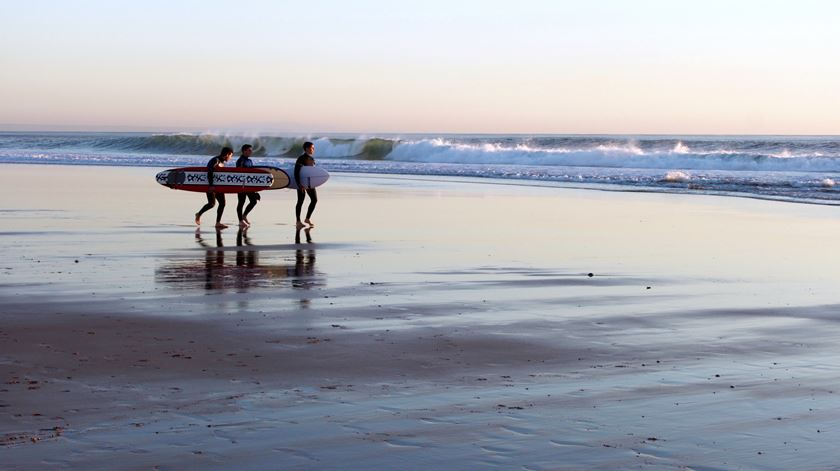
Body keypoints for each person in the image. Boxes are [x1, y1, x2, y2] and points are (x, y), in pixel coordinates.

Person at [195, 146, 233, 229]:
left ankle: (218, 223)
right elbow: (209, 171)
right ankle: (199, 214)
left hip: (218, 186)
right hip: (210, 185)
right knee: (211, 204)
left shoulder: (222, 162)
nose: (231, 158)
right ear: (227, 154)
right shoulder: (215, 160)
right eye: (231, 155)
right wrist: (211, 185)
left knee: (222, 203)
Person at [235, 144, 260, 227]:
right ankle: (240, 221)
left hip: (249, 185)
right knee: (241, 203)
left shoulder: (250, 161)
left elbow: (252, 175)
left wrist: (255, 189)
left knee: (253, 201)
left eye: (251, 150)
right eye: (249, 150)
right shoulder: (240, 161)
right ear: (244, 151)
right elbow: (239, 173)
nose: (251, 152)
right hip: (241, 185)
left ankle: (244, 215)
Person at [295, 141, 318, 228]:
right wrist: (299, 184)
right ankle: (298, 221)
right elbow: (296, 172)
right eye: (312, 148)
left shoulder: (312, 159)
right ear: (307, 148)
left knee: (314, 200)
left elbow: (312, 172)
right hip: (302, 183)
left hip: (310, 183)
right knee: (300, 201)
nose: (313, 149)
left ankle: (307, 218)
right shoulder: (301, 158)